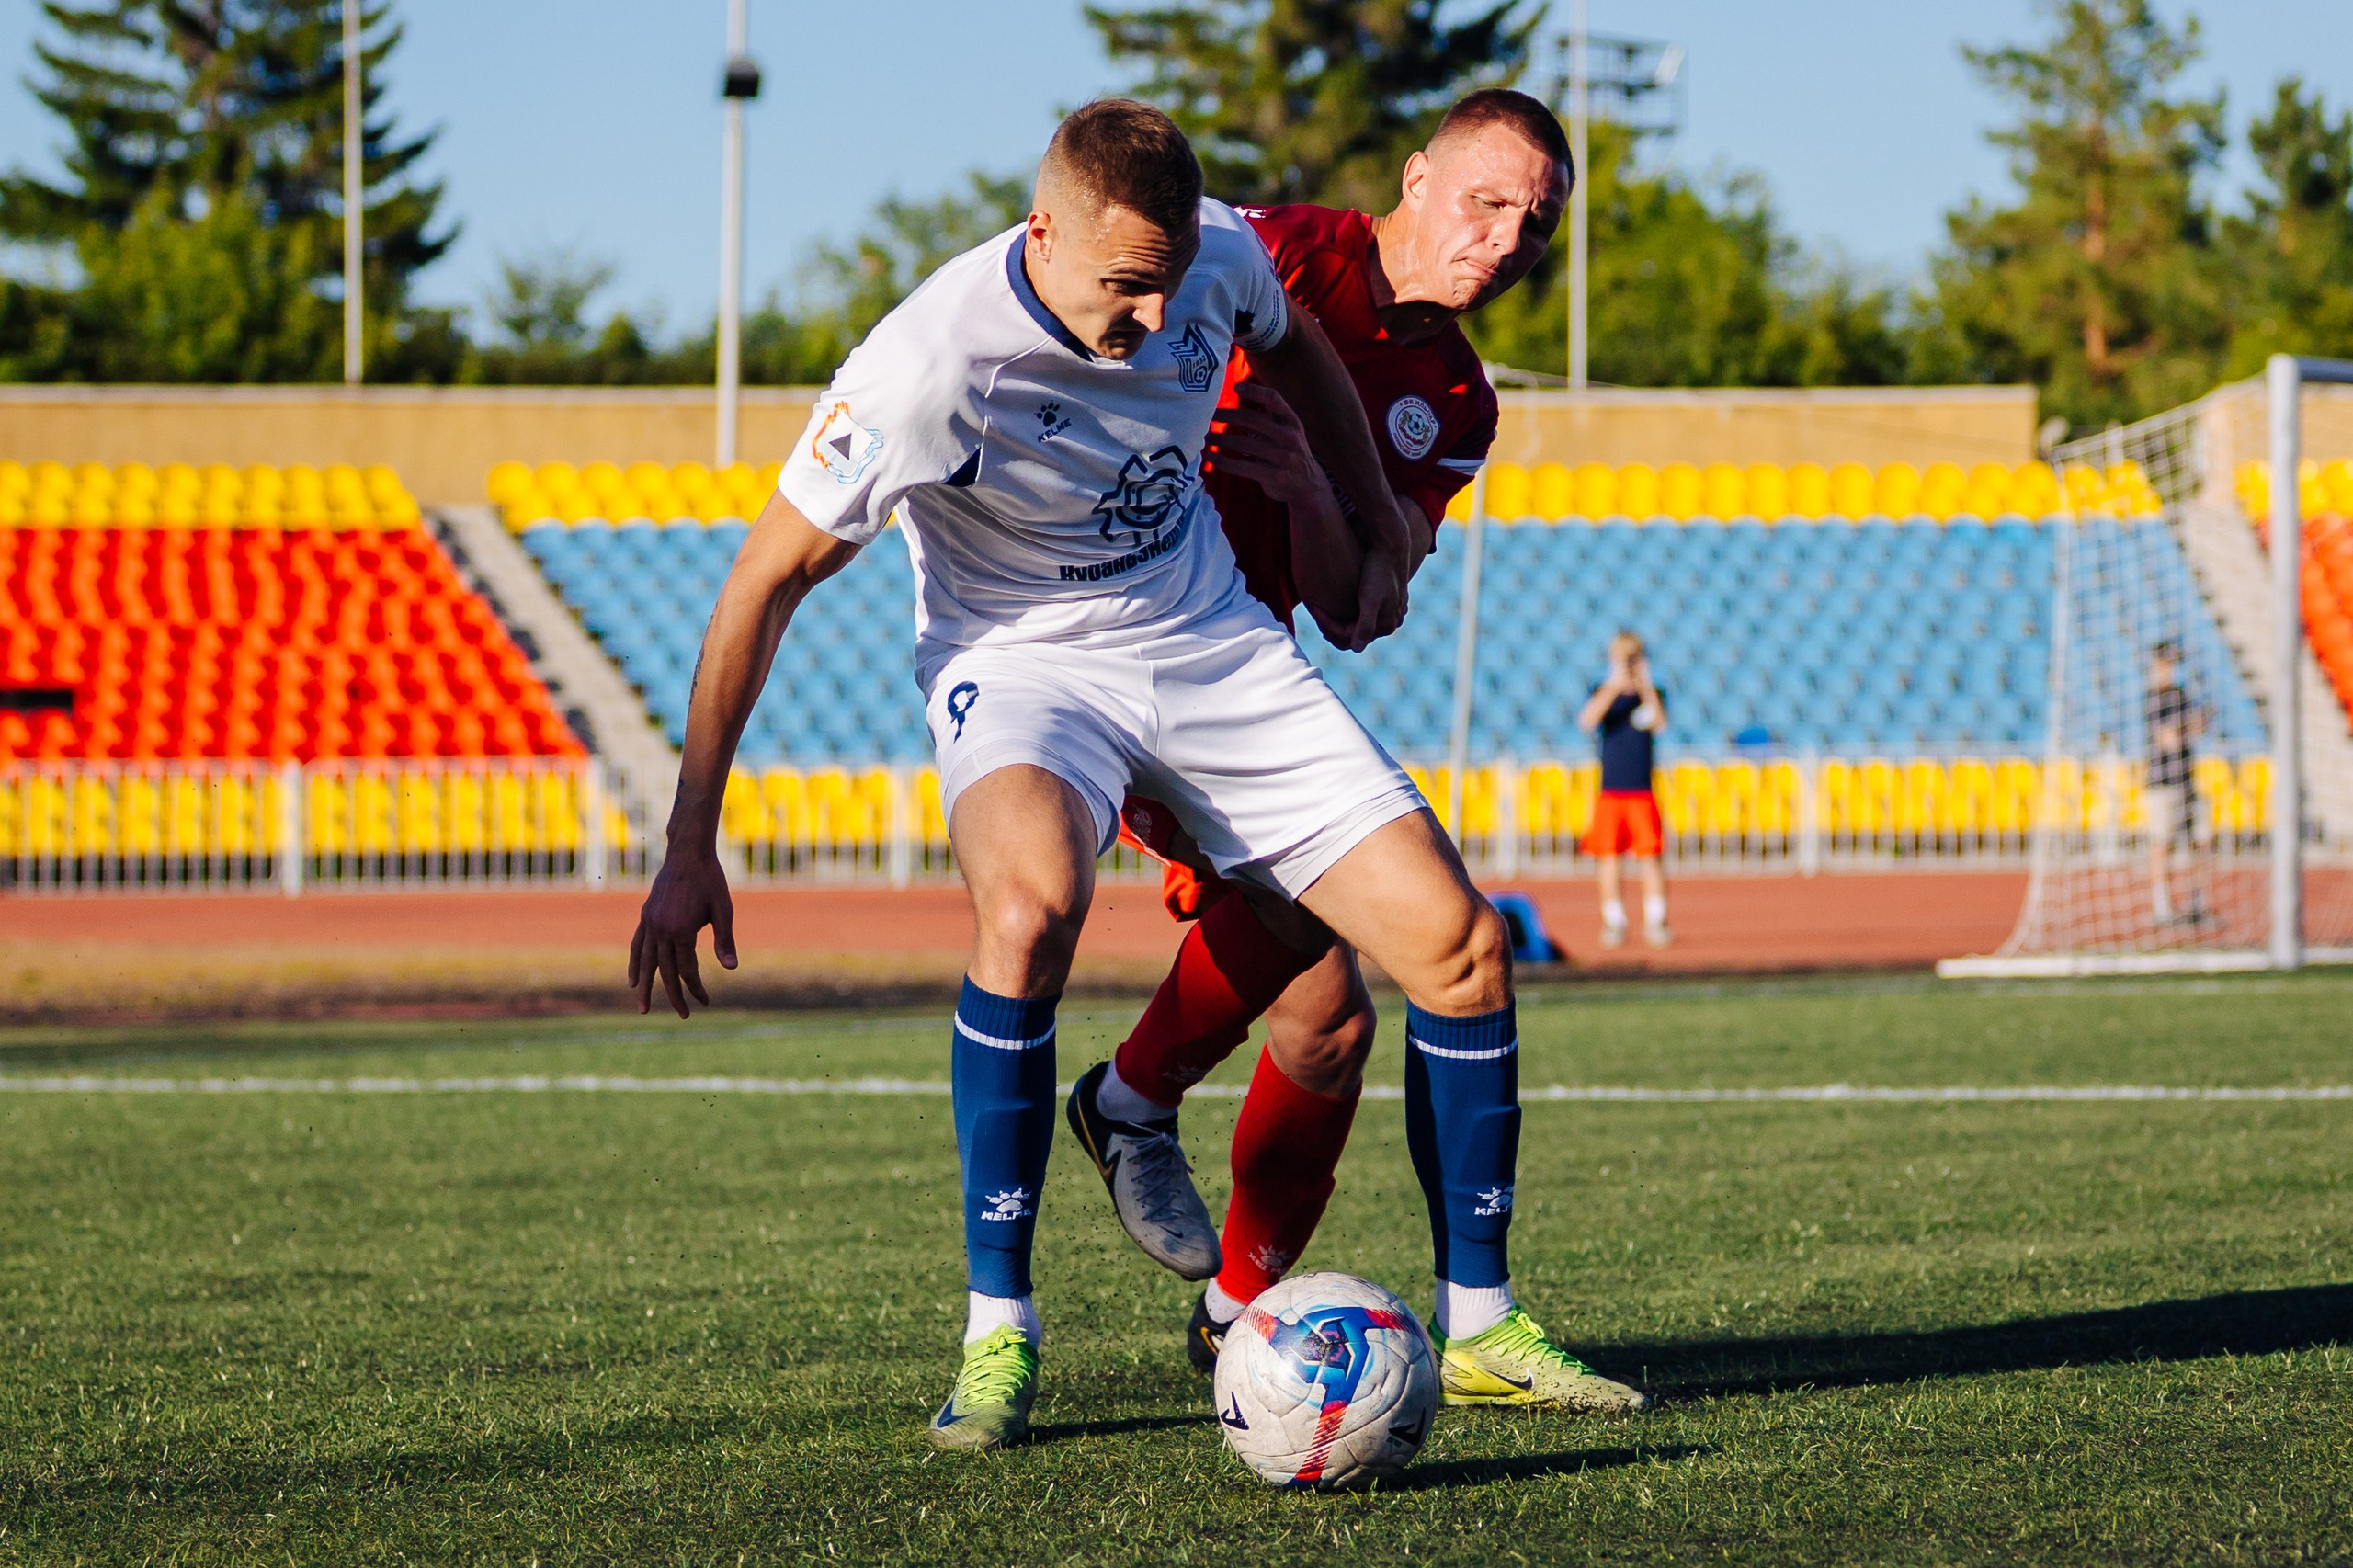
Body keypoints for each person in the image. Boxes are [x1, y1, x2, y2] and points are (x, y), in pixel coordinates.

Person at [628, 99, 1632, 1451]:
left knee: (1458, 947)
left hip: (1208, 635)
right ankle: (998, 1332)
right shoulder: (924, 367)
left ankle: (1485, 1324)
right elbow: (760, 582)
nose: (1160, 323)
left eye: (1173, 285)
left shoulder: (1220, 259)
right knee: (1030, 904)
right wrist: (689, 840)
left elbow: (1302, 357)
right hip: (1023, 658)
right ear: (1041, 234)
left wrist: (1348, 496)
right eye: (1126, 288)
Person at [1065, 92, 1638, 1415]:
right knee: (1362, 931)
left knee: (1326, 1023)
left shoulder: (1458, 402)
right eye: (1486, 202)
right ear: (1416, 177)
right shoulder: (1272, 249)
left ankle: (1234, 1313)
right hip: (1125, 649)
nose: (1505, 241)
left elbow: (1362, 606)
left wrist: (1316, 486)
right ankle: (1132, 1100)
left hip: (1253, 674)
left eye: (1534, 225)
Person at [1576, 631, 1671, 948]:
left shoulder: (1653, 693)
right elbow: (1587, 721)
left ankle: (1656, 920)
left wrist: (1645, 685)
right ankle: (1614, 922)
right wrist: (1615, 684)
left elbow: (1660, 723)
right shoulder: (1603, 691)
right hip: (1611, 791)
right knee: (1609, 858)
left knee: (1650, 856)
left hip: (1642, 790)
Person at [2144, 639, 2209, 925]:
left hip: (2186, 779)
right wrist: (2187, 727)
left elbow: (2199, 727)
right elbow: (2168, 739)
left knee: (2198, 840)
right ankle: (2162, 905)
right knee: (2162, 843)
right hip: (2161, 781)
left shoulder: (2181, 695)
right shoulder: (2154, 698)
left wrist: (2187, 727)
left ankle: (2197, 902)